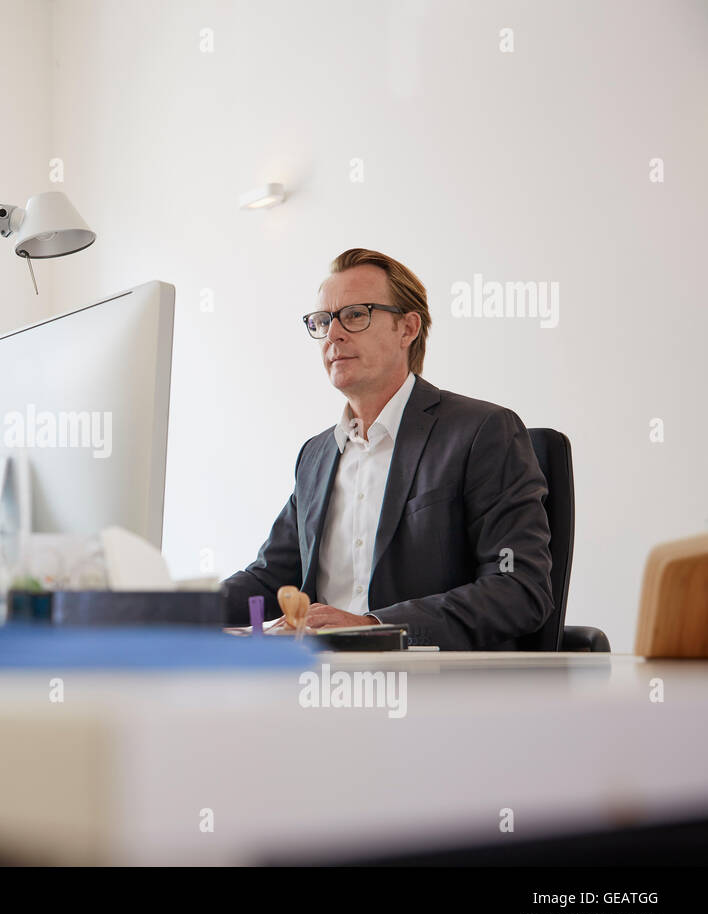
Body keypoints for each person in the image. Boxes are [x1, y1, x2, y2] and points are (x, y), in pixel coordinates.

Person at [223, 248, 553, 651]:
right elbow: (270, 578)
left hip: (426, 686)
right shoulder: (316, 455)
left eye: (355, 315)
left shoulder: (482, 432)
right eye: (323, 321)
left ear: (407, 328)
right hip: (315, 679)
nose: (333, 335)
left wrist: (372, 626)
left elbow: (519, 588)